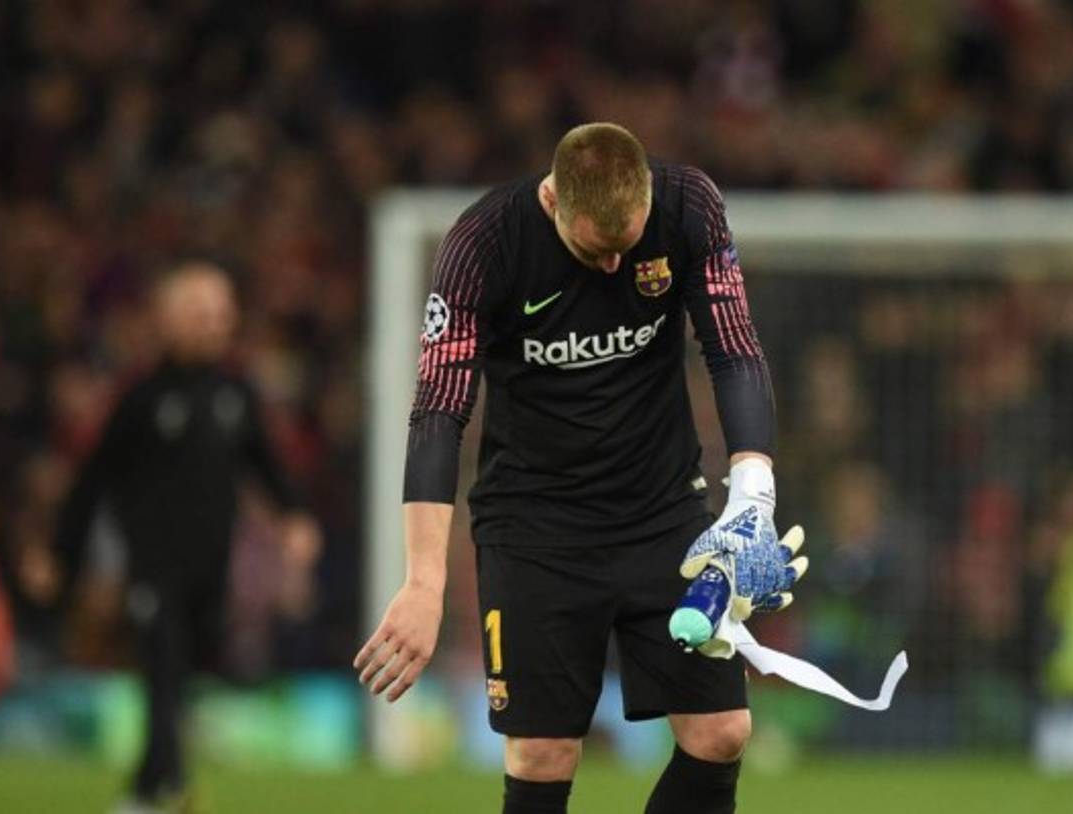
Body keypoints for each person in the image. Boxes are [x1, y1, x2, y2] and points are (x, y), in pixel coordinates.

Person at [355, 123, 803, 814]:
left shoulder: (689, 205)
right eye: (595, 250)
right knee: (542, 754)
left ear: (647, 195)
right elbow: (438, 412)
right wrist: (423, 582)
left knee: (722, 732)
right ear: (551, 200)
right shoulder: (482, 245)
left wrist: (752, 496)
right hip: (535, 528)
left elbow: (735, 349)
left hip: (662, 515)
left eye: (627, 246)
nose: (614, 267)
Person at [53, 262, 322, 812]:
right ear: (168, 319)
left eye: (221, 314)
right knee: (163, 669)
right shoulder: (142, 398)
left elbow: (265, 465)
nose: (214, 324)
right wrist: (63, 554)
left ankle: (147, 789)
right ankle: (165, 789)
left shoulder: (236, 394)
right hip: (154, 566)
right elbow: (93, 480)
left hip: (212, 566)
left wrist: (294, 516)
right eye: (201, 313)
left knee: (183, 673)